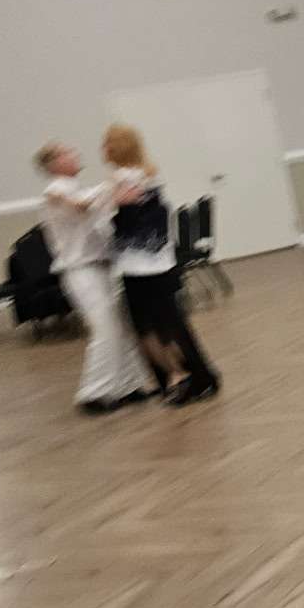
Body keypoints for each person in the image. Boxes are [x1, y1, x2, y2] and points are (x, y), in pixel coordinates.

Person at [102, 124, 221, 408]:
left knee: (149, 329)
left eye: (107, 143)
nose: (103, 149)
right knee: (171, 324)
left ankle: (178, 377)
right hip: (159, 264)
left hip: (139, 268)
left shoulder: (124, 177)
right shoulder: (148, 173)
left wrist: (106, 202)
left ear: (117, 147)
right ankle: (198, 376)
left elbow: (110, 211)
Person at [35, 143, 154, 415]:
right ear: (54, 163)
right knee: (105, 327)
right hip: (81, 270)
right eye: (68, 153)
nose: (76, 155)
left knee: (120, 326)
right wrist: (112, 183)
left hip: (101, 266)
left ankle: (128, 385)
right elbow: (81, 206)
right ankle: (94, 393)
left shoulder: (75, 188)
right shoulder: (56, 190)